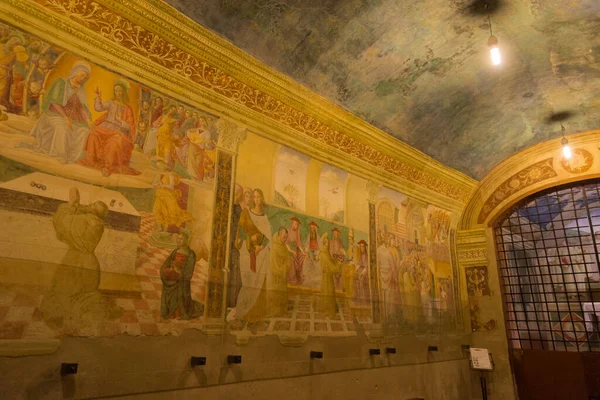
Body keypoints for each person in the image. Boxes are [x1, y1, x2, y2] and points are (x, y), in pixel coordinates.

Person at [40, 188, 122, 331]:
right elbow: (78, 216)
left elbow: (65, 224)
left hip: (80, 262)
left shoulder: (91, 222)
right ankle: (70, 316)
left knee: (72, 291)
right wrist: (77, 205)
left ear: (96, 212)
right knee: (72, 291)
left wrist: (71, 203)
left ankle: (71, 318)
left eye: (93, 204)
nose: (89, 204)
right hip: (81, 261)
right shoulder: (92, 220)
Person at [29, 61, 92, 163]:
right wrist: (65, 117)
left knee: (84, 131)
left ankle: (72, 158)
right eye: (82, 74)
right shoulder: (61, 83)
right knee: (62, 128)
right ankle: (58, 156)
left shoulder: (81, 90)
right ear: (75, 72)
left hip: (73, 118)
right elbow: (54, 102)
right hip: (55, 113)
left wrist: (88, 120)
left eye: (85, 76)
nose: (83, 78)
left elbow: (81, 107)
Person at [78, 80, 138, 176]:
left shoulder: (127, 108)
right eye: (116, 91)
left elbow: (130, 127)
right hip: (105, 127)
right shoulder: (111, 102)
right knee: (93, 134)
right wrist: (98, 97)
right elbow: (99, 108)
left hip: (117, 130)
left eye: (119, 90)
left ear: (124, 92)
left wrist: (120, 121)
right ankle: (90, 160)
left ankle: (108, 166)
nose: (117, 93)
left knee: (114, 142)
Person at [231, 189, 272, 322]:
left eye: (259, 197)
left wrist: (260, 247)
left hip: (260, 254)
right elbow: (241, 233)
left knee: (258, 283)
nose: (256, 200)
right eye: (254, 197)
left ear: (262, 199)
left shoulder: (265, 218)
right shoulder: (246, 213)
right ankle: (241, 312)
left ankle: (254, 315)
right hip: (248, 252)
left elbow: (268, 237)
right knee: (247, 282)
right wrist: (252, 244)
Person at [160, 232, 204, 319]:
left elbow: (188, 272)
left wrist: (179, 272)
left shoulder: (191, 254)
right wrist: (167, 270)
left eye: (181, 239)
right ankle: (170, 312)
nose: (178, 240)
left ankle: (178, 313)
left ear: (186, 241)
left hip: (181, 281)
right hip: (172, 276)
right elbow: (166, 263)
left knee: (179, 296)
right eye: (178, 239)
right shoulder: (175, 251)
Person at [152, 159, 193, 231]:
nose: (160, 167)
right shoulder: (160, 174)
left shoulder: (170, 174)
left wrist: (162, 185)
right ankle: (161, 226)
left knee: (171, 211)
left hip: (169, 193)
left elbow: (171, 186)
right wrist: (158, 184)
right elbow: (154, 184)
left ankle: (168, 224)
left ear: (164, 165)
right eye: (158, 166)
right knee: (157, 206)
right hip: (161, 193)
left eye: (160, 165)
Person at [226, 184, 244, 309]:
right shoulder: (225, 206)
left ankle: (233, 302)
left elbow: (242, 227)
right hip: (226, 243)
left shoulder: (238, 209)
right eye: (237, 194)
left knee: (236, 273)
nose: (239, 197)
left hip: (235, 246)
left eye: (240, 194)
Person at [268, 227, 291, 317]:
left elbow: (288, 259)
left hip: (282, 276)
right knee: (276, 295)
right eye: (283, 236)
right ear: (278, 235)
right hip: (276, 277)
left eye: (286, 237)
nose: (285, 239)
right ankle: (276, 311)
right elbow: (274, 266)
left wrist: (286, 265)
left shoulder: (283, 246)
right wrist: (284, 267)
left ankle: (281, 310)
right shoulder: (274, 247)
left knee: (282, 294)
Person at [316, 234, 340, 318]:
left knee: (328, 292)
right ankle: (327, 310)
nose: (327, 244)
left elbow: (331, 261)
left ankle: (328, 307)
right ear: (323, 243)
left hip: (328, 276)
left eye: (328, 243)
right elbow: (330, 265)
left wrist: (336, 261)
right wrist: (338, 265)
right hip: (327, 277)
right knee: (327, 292)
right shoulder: (324, 253)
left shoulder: (326, 251)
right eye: (326, 243)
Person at [0, 36, 23, 108]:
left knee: (7, 79)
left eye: (16, 43)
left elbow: (10, 67)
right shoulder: (0, 45)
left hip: (3, 73)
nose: (14, 42)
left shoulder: (13, 54)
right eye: (14, 39)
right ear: (9, 38)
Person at [286, 216, 306, 286]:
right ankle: (292, 278)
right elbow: (286, 243)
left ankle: (299, 277)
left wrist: (303, 253)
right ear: (292, 224)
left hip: (296, 250)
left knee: (302, 256)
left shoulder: (297, 233)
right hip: (289, 250)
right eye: (295, 224)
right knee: (292, 258)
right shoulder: (288, 231)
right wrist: (291, 250)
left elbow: (299, 245)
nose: (296, 226)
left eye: (297, 224)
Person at [353, 240, 370, 305]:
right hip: (361, 271)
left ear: (365, 248)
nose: (361, 248)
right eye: (360, 246)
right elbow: (359, 264)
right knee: (354, 278)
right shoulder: (360, 255)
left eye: (362, 247)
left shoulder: (366, 256)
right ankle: (357, 298)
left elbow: (366, 267)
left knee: (361, 280)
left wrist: (361, 274)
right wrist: (355, 270)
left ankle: (363, 300)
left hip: (365, 273)